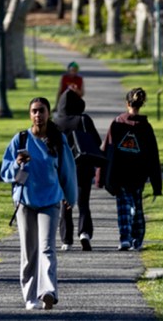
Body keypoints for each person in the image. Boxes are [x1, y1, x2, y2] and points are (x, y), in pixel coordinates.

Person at [1, 97, 78, 311]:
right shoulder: (21, 139)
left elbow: (67, 171)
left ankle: (48, 292)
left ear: (48, 113)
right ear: (30, 114)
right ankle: (30, 296)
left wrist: (70, 198)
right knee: (29, 251)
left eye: (41, 111)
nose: (38, 115)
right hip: (25, 202)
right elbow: (5, 172)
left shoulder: (58, 139)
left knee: (47, 248)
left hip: (50, 202)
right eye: (34, 111)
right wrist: (16, 166)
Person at [97, 87, 162, 251]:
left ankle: (125, 238)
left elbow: (106, 150)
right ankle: (137, 239)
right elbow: (153, 156)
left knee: (124, 208)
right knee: (137, 207)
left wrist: (100, 176)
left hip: (120, 174)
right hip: (138, 175)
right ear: (142, 104)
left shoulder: (117, 123)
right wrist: (156, 183)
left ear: (127, 103)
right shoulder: (146, 127)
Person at [54, 87, 102, 251]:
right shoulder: (83, 119)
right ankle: (84, 233)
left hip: (63, 168)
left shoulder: (55, 123)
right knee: (83, 202)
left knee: (65, 204)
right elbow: (95, 141)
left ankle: (66, 240)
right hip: (83, 166)